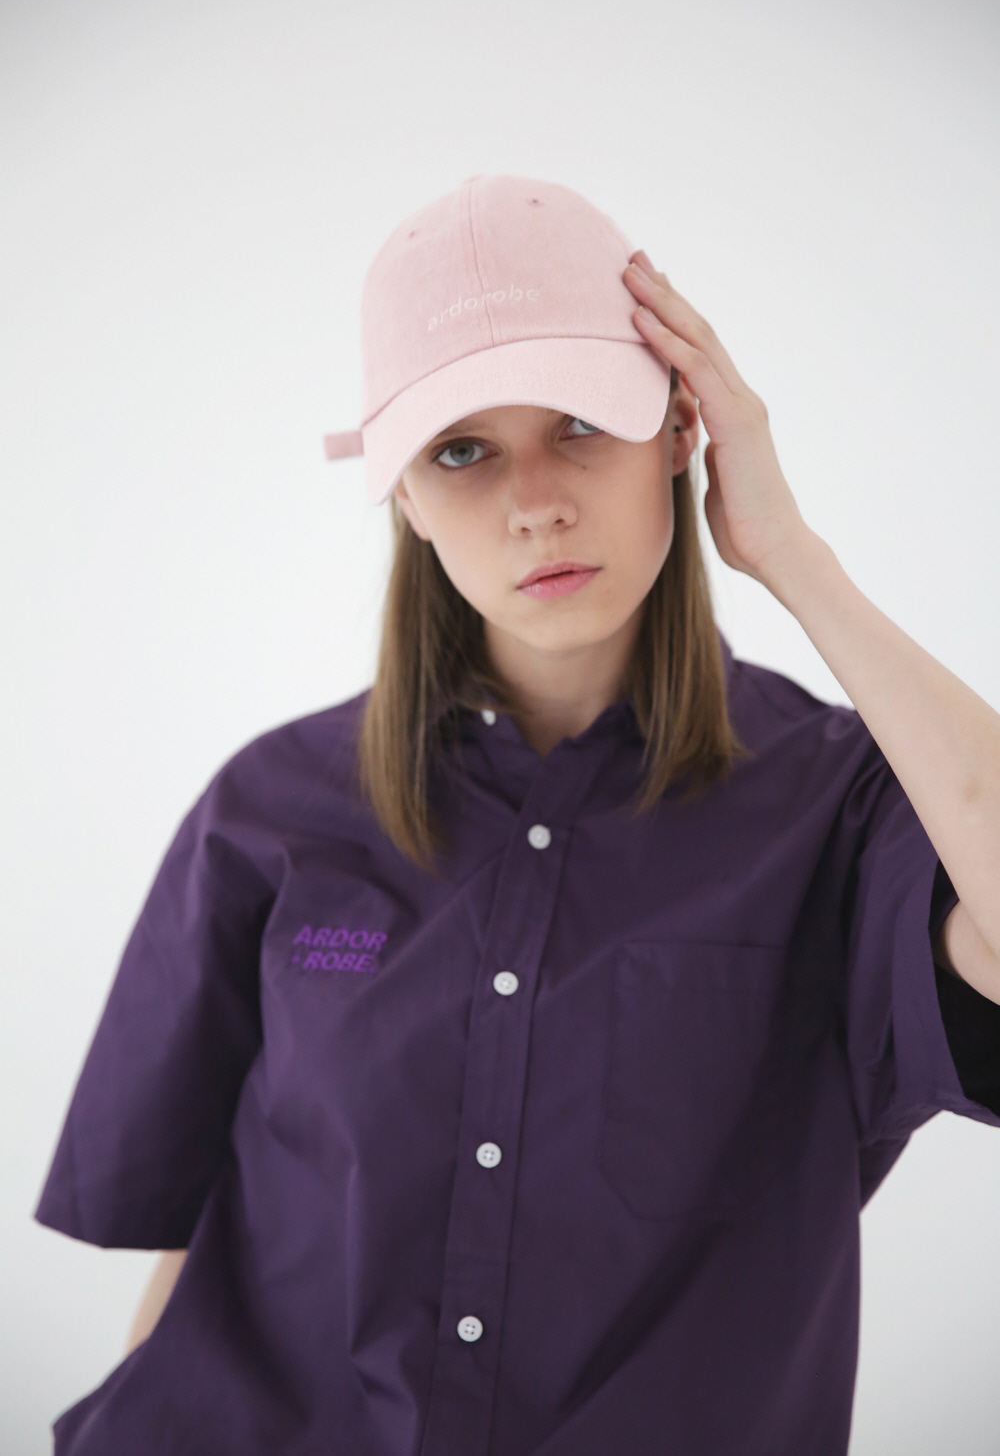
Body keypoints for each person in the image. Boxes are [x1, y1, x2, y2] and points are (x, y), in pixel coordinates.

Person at [35, 175, 1000, 1456]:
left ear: (678, 427)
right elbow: (205, 1249)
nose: (533, 500)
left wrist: (791, 555)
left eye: (578, 424)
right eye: (461, 450)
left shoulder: (840, 805)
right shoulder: (267, 811)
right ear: (403, 493)